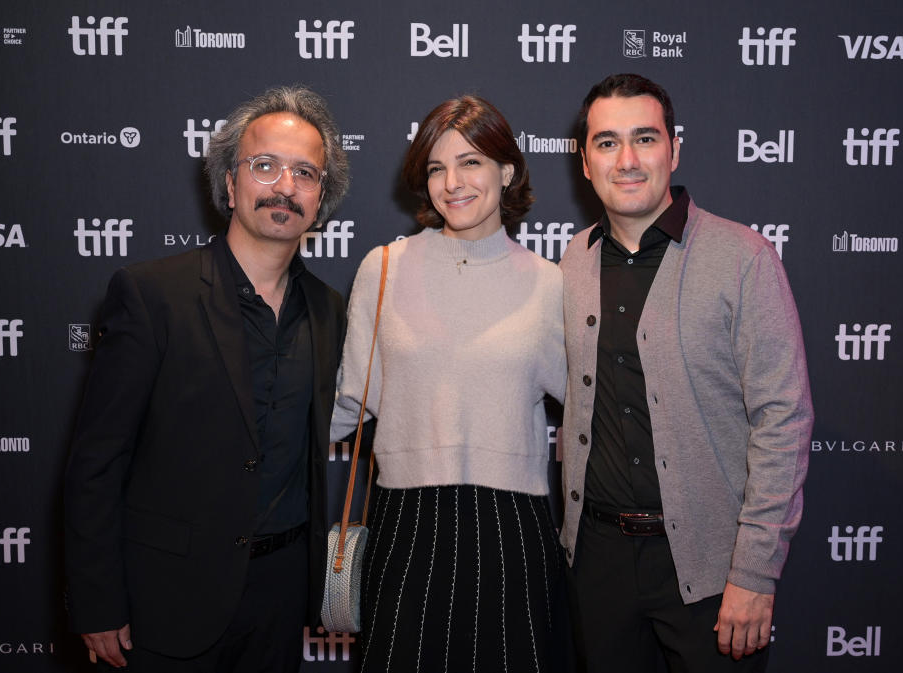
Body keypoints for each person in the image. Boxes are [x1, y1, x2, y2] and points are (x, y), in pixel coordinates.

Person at [63, 85, 349, 672]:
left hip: (280, 599)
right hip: (163, 601)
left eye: (305, 173)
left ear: (321, 197)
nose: (284, 186)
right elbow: (97, 461)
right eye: (264, 165)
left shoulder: (331, 311)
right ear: (229, 183)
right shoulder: (152, 295)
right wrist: (96, 601)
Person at [559, 72, 813, 672]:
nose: (627, 160)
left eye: (645, 139)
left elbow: (784, 421)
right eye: (607, 142)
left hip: (710, 569)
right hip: (597, 562)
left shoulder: (743, 258)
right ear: (585, 161)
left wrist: (753, 572)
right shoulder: (573, 260)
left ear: (674, 149)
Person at [330, 95, 566, 673]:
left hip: (514, 527)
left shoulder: (551, 285)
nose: (452, 183)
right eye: (436, 168)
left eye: (471, 162)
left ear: (506, 171)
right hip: (406, 524)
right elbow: (347, 404)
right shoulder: (383, 268)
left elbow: (594, 415)